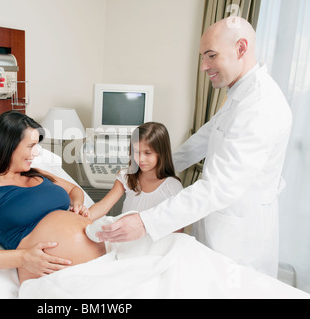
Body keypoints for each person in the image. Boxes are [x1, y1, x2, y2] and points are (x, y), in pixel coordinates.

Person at [96, 17, 292, 277]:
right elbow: (202, 140)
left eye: (211, 56)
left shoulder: (259, 106)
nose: (203, 66)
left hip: (239, 236)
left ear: (241, 48)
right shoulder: (238, 94)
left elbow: (219, 187)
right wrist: (156, 166)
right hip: (217, 222)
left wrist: (146, 221)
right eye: (203, 57)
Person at [0, 111, 105, 284]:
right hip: (55, 281)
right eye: (31, 146)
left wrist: (76, 205)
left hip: (102, 268)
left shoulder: (37, 173)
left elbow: (74, 190)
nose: (37, 153)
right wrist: (22, 257)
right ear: (8, 145)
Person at [88, 122, 183, 229]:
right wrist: (85, 216)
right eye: (137, 152)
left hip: (154, 242)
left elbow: (177, 228)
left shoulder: (172, 186)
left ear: (162, 153)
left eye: (147, 153)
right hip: (125, 238)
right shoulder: (126, 176)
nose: (141, 159)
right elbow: (104, 205)